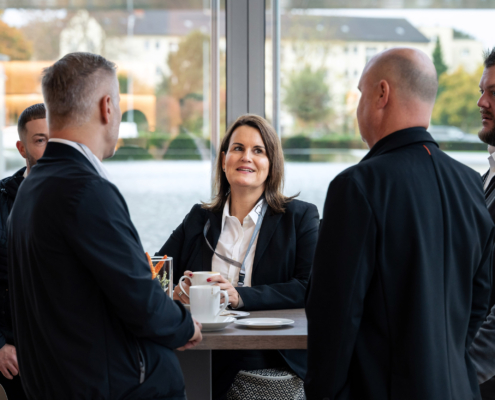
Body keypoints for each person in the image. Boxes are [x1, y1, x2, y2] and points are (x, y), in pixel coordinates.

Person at [7, 52, 202, 400]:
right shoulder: (85, 189)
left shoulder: (32, 187)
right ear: (107, 107)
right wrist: (185, 325)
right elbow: (140, 298)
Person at [305, 47, 495, 400]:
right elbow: (477, 303)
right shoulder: (470, 184)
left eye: (361, 94)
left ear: (382, 93)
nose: (359, 107)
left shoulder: (357, 186)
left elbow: (334, 320)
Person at [156, 114, 319, 399]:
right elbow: (158, 274)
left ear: (271, 164)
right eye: (238, 148)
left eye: (258, 150)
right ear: (224, 160)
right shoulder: (199, 218)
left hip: (266, 355)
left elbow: (309, 287)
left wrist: (240, 296)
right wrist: (175, 292)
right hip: (199, 346)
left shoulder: (300, 217)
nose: (246, 157)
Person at [0, 103, 48, 400]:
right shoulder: (2, 201)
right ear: (22, 148)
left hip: (73, 353)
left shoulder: (88, 199)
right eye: (41, 140)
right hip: (17, 354)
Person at [469, 47, 495, 400]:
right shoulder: (484, 178)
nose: (481, 102)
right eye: (481, 91)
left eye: (494, 92)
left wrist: (461, 372)